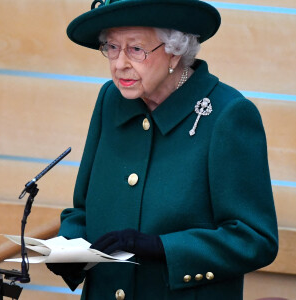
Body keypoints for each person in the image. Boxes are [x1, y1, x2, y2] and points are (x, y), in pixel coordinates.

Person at [47, 0, 279, 299]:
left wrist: (160, 248)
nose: (119, 64)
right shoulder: (110, 99)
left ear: (175, 49)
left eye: (135, 49)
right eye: (112, 47)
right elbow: (83, 210)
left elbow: (254, 239)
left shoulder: (228, 115)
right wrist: (71, 247)